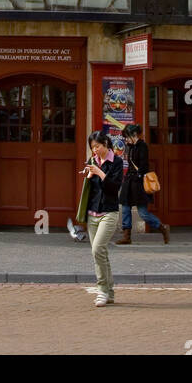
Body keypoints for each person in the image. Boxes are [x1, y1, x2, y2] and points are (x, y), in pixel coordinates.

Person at [82, 130, 123, 306]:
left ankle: (102, 291)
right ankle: (110, 293)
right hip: (93, 212)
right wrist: (88, 175)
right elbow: (92, 189)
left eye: (97, 146)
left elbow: (114, 188)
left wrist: (99, 172)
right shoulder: (92, 161)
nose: (95, 150)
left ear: (105, 144)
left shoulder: (117, 162)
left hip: (109, 212)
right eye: (92, 148)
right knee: (101, 254)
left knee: (97, 249)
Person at [115, 123, 170, 244]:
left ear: (134, 135)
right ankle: (127, 236)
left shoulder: (142, 146)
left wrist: (137, 176)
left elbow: (144, 166)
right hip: (128, 182)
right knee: (125, 209)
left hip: (138, 184)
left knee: (143, 213)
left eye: (127, 136)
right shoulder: (130, 146)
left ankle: (162, 228)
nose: (126, 139)